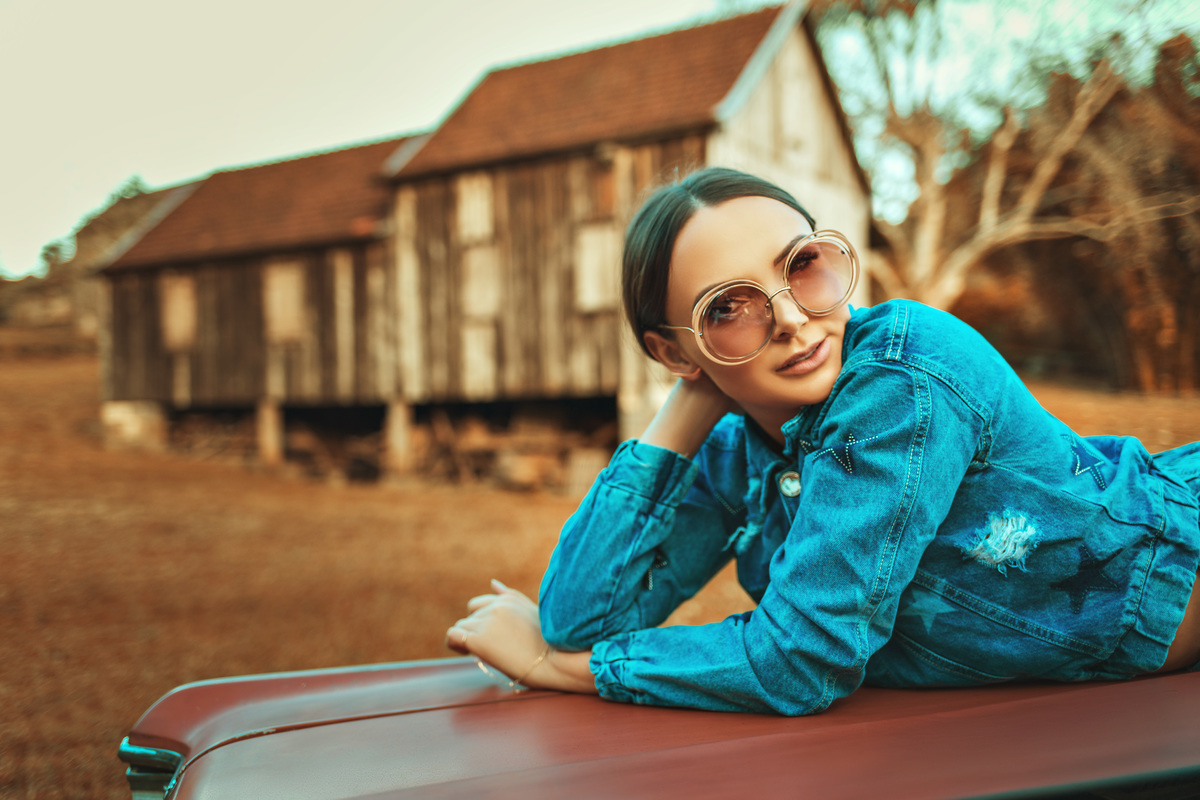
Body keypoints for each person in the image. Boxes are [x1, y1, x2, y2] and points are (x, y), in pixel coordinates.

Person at [445, 167, 1200, 715]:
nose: (793, 320)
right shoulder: (736, 441)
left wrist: (561, 668)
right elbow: (582, 615)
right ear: (674, 351)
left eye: (801, 265)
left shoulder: (902, 379)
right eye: (729, 309)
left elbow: (801, 658)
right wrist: (682, 412)